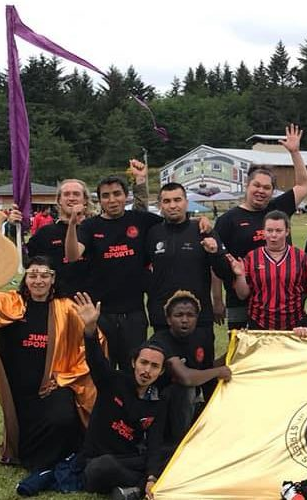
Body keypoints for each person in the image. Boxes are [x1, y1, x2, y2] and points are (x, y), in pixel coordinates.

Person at [0, 253, 97, 477]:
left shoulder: (67, 308)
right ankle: (35, 459)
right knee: (25, 439)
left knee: (62, 418)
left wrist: (90, 327)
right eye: (33, 275)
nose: (39, 281)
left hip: (55, 385)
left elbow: (90, 346)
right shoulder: (14, 303)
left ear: (53, 279)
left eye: (45, 275)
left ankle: (59, 459)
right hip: (22, 388)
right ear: (25, 278)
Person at [212, 124, 307, 332]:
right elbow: (216, 263)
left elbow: (303, 185)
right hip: (240, 296)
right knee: (241, 352)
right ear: (247, 186)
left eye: (267, 188)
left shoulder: (278, 208)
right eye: (257, 185)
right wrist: (217, 300)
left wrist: (295, 152)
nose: (261, 191)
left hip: (278, 300)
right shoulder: (228, 220)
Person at [74, 292, 171, 500]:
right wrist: (90, 328)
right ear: (134, 362)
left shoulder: (157, 403)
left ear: (161, 372)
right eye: (144, 363)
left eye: (154, 366)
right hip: (99, 460)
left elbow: (154, 444)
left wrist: (152, 476)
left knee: (170, 452)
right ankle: (137, 487)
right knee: (102, 466)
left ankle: (135, 489)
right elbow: (96, 360)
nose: (147, 370)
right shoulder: (113, 381)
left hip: (130, 459)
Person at [65, 168, 163, 371]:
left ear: (125, 196)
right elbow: (73, 255)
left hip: (134, 313)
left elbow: (173, 223)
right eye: (106, 196)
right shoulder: (90, 226)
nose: (112, 200)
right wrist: (72, 227)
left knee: (133, 369)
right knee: (103, 369)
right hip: (102, 313)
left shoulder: (140, 220)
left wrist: (201, 223)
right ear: (99, 200)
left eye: (117, 194)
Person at [146, 182, 233, 336]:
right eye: (167, 201)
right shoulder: (153, 233)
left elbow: (225, 272)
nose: (172, 205)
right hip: (163, 318)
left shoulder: (203, 230)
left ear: (186, 202)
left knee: (202, 360)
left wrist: (215, 253)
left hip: (199, 317)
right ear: (160, 205)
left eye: (177, 200)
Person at [148, 291, 232, 443]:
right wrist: (218, 371)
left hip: (187, 404)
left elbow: (207, 368)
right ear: (168, 319)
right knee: (186, 388)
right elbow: (185, 377)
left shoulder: (202, 337)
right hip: (157, 404)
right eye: (178, 315)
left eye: (190, 315)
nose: (185, 320)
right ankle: (180, 442)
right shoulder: (160, 340)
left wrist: (234, 352)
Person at [227, 210, 307, 330]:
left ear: (287, 232)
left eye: (278, 231)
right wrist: (240, 275)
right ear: (263, 232)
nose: (273, 235)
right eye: (269, 230)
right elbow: (242, 295)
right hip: (259, 323)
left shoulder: (302, 258)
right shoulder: (252, 257)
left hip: (294, 325)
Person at [27, 179, 92, 297]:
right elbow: (24, 260)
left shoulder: (96, 228)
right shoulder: (45, 233)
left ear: (85, 200)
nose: (71, 198)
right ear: (59, 201)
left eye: (76, 194)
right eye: (66, 194)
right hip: (57, 302)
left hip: (93, 303)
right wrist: (15, 227)